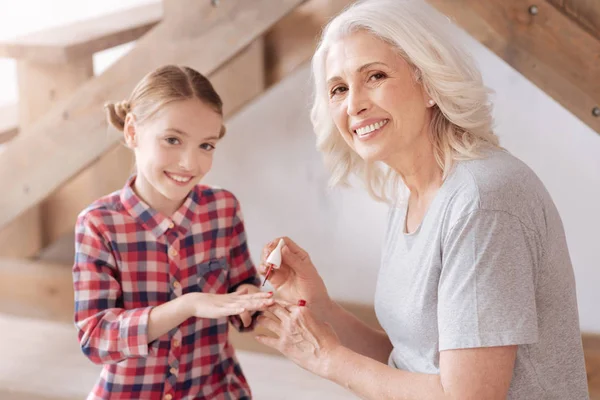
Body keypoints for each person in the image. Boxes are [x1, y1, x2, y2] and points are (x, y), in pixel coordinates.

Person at [254, 1, 590, 399]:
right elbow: (410, 363)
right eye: (339, 89)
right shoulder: (413, 193)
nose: (353, 104)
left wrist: (326, 358)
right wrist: (320, 307)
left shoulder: (483, 200)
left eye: (375, 76)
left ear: (429, 83)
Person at [72, 65, 274, 400]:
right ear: (133, 132)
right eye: (172, 140)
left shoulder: (223, 208)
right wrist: (188, 305)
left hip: (216, 389)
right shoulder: (98, 224)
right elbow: (96, 339)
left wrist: (252, 299)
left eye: (206, 146)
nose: (189, 163)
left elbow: (242, 289)